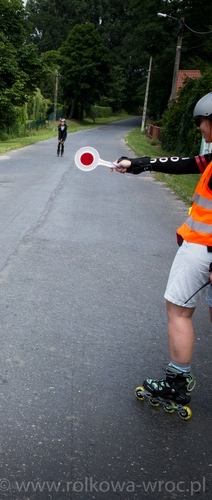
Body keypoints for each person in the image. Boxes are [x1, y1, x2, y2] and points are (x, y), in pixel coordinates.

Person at [114, 92, 212, 411]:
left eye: (202, 122)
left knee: (178, 311)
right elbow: (184, 164)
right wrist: (139, 164)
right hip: (201, 250)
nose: (200, 128)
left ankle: (176, 383)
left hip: (203, 251)